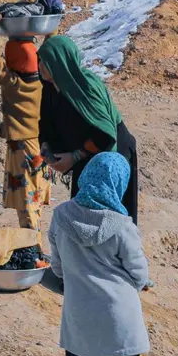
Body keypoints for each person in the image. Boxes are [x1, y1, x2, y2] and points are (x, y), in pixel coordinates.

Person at [25, 152, 150, 356]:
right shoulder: (122, 226)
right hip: (119, 322)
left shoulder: (62, 216)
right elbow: (139, 275)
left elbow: (58, 269)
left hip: (80, 318)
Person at [37, 36, 139, 224]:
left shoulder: (85, 88)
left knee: (110, 219)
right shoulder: (50, 88)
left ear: (59, 62)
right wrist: (46, 148)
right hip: (84, 159)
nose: (40, 65)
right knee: (82, 217)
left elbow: (104, 135)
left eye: (45, 61)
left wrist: (74, 157)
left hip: (111, 158)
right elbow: (45, 122)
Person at [0, 14, 52, 229]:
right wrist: (50, 29)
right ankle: (35, 240)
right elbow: (49, 51)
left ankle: (33, 244)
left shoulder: (11, 83)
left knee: (26, 202)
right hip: (40, 146)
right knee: (35, 197)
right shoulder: (43, 81)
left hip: (21, 148)